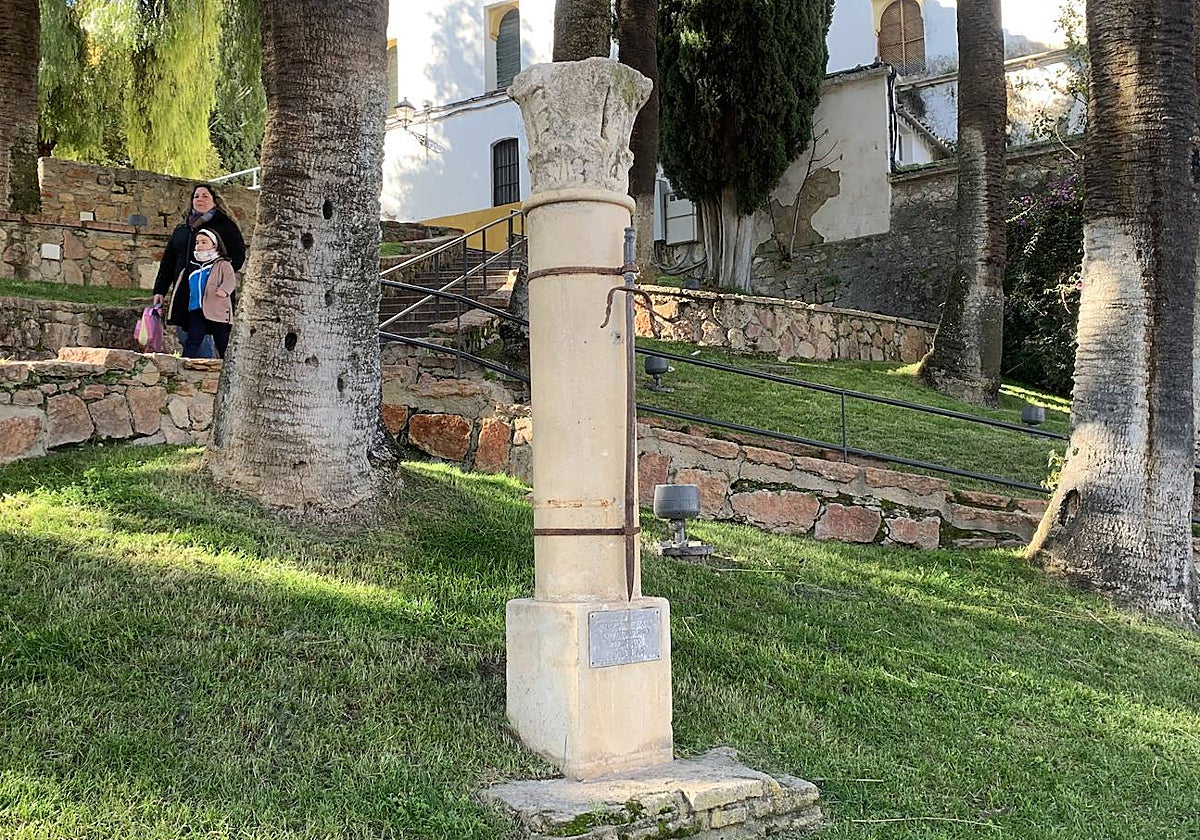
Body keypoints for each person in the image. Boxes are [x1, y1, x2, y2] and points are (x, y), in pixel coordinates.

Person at [152, 183, 246, 357]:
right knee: (187, 333)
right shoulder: (182, 229)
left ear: (214, 201)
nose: (200, 199)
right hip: (187, 291)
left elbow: (238, 256)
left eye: (205, 196)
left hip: (215, 294)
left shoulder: (225, 226)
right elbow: (168, 262)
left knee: (217, 335)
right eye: (196, 196)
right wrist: (160, 289)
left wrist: (218, 276)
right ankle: (196, 367)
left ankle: (210, 368)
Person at [169, 229, 237, 357]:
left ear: (215, 245)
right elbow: (183, 288)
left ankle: (228, 364)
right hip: (196, 310)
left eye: (204, 242)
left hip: (217, 310)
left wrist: (224, 290)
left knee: (222, 341)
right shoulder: (191, 267)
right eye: (197, 242)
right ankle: (186, 363)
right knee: (193, 340)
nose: (199, 245)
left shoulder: (222, 264)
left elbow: (230, 280)